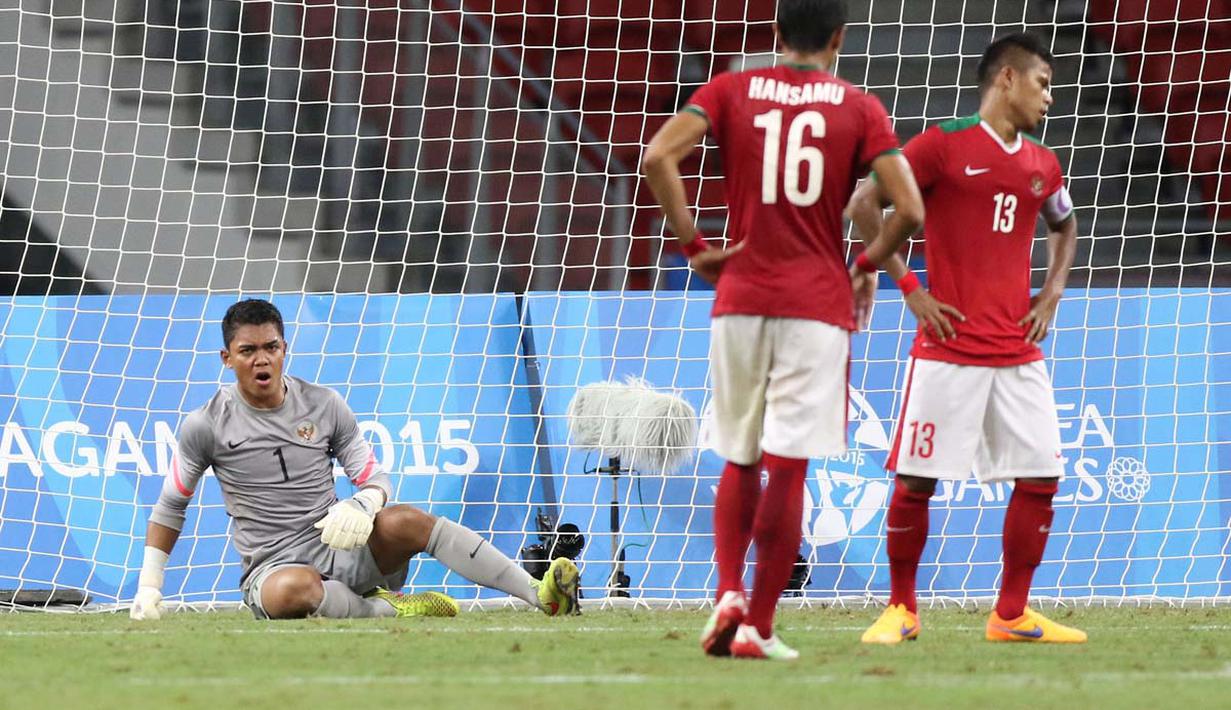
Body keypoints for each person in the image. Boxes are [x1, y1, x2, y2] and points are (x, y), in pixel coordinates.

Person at [642, 0, 925, 660]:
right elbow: (907, 207)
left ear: (774, 35)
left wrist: (692, 246)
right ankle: (758, 628)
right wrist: (862, 261)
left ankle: (729, 591)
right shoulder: (858, 107)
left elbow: (658, 156)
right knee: (788, 466)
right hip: (814, 306)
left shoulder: (728, 91)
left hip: (739, 297)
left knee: (738, 456)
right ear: (837, 38)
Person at [130, 299, 579, 621]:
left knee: (407, 520)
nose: (262, 359)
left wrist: (362, 503)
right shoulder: (205, 424)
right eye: (248, 351)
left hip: (342, 547)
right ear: (227, 359)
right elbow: (172, 504)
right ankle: (386, 608)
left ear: (285, 349)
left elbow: (374, 476)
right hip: (273, 568)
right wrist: (150, 585)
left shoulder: (325, 405)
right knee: (294, 592)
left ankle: (539, 595)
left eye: (271, 346)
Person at [848, 32, 1084, 644]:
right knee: (916, 480)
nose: (1049, 98)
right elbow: (864, 203)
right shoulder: (940, 145)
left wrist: (1052, 292)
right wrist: (908, 285)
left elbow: (1066, 224)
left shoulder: (1041, 164)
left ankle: (1010, 614)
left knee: (1041, 479)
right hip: (947, 346)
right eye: (1043, 83)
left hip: (1017, 349)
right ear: (1006, 78)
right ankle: (901, 609)